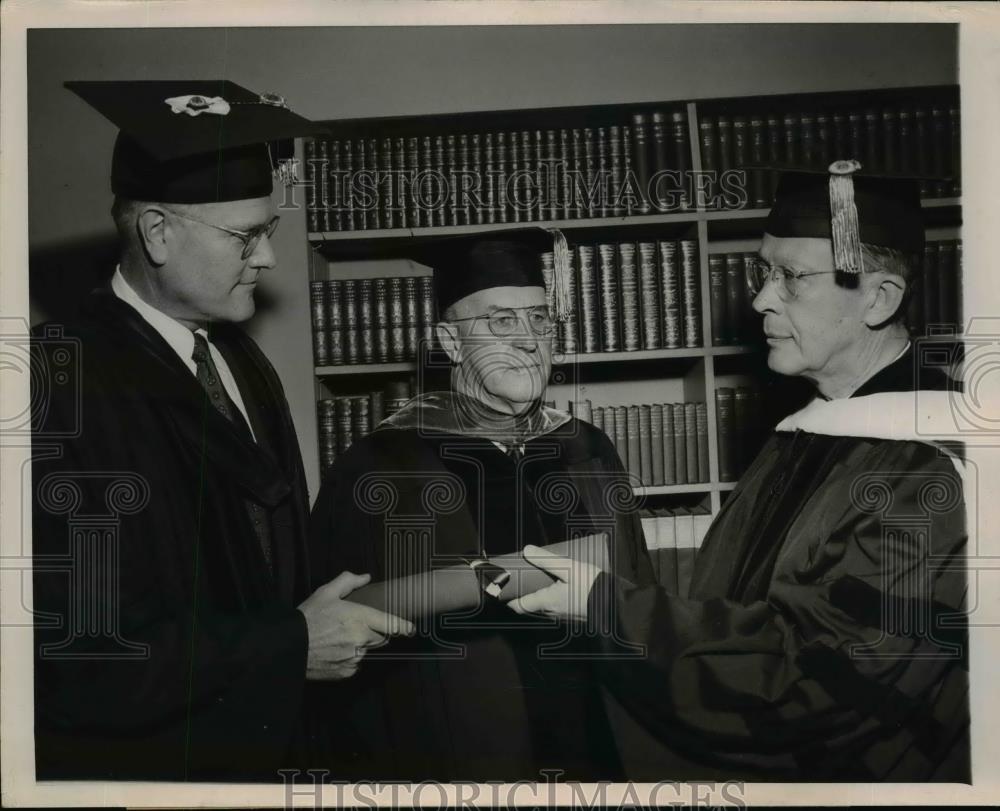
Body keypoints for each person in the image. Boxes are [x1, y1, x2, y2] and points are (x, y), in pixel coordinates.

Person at [511, 161, 969, 781]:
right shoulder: (811, 432)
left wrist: (605, 607)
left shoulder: (923, 467)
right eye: (764, 271)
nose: (759, 299)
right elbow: (736, 606)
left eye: (792, 278)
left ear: (879, 299)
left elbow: (815, 688)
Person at [31, 80, 413, 782]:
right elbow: (80, 659)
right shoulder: (59, 383)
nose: (267, 259)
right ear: (157, 233)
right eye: (247, 236)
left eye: (268, 231)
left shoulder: (239, 357)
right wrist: (287, 646)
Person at [308, 229, 656, 781]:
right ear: (451, 342)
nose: (527, 341)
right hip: (458, 752)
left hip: (593, 735)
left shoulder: (587, 448)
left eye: (539, 320)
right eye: (500, 322)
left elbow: (636, 589)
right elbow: (349, 642)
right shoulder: (383, 464)